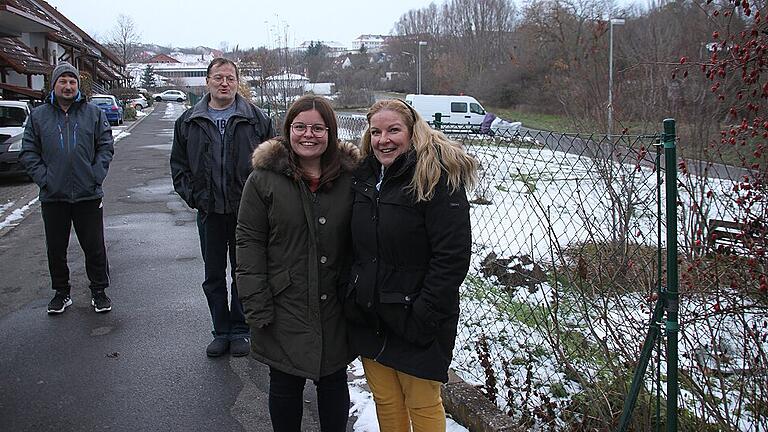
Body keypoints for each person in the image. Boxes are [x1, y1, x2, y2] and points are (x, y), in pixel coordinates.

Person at [345, 99, 478, 431]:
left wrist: (425, 311)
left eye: (393, 130)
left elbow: (452, 257)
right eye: (375, 132)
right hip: (370, 312)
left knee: (422, 403)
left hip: (417, 315)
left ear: (412, 131)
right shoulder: (363, 177)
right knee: (386, 401)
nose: (383, 140)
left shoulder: (436, 178)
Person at [236, 95, 359, 432]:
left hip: (334, 301)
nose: (309, 135)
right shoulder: (263, 180)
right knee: (285, 382)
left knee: (333, 379)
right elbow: (248, 243)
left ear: (330, 133)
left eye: (318, 128)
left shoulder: (350, 179)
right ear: (287, 130)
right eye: (300, 127)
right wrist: (256, 303)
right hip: (283, 300)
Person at [171, 58, 275, 357]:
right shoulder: (189, 121)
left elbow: (273, 164)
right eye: (218, 78)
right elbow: (178, 165)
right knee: (214, 275)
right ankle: (221, 330)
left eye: (230, 77)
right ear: (208, 81)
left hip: (247, 214)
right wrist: (195, 197)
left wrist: (263, 202)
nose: (224, 83)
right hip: (210, 212)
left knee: (244, 272)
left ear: (237, 81)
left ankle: (241, 329)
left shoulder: (257, 119)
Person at [20, 62, 115, 315]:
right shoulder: (39, 116)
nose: (68, 86)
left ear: (77, 85)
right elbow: (28, 152)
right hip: (54, 196)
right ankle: (61, 293)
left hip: (88, 193)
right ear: (54, 85)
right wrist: (45, 179)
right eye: (63, 81)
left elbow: (105, 146)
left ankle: (99, 291)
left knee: (94, 246)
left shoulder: (93, 114)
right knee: (56, 248)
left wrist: (96, 175)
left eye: (72, 82)